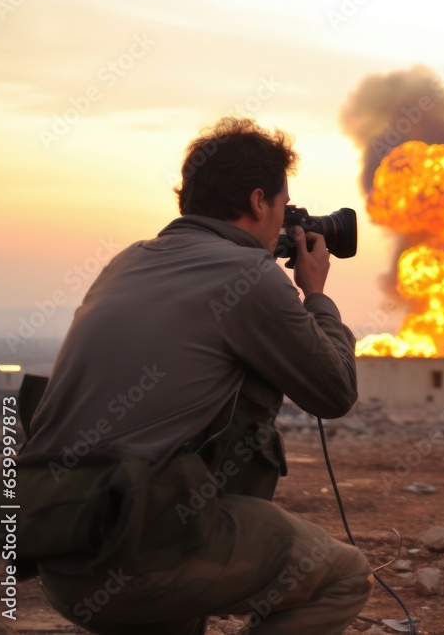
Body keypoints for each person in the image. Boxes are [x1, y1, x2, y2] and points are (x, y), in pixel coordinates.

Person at [20, 117, 372, 634]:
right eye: (284, 206)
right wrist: (316, 295)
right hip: (139, 555)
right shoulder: (249, 276)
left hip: (60, 551)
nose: (285, 221)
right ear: (258, 202)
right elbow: (334, 392)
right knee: (343, 575)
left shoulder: (127, 261)